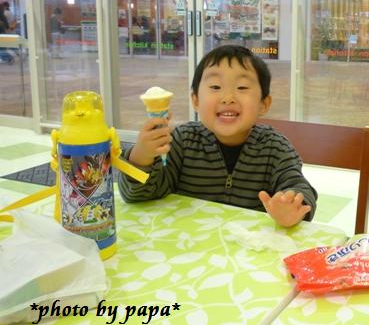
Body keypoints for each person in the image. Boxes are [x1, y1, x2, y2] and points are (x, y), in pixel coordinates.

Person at [119, 45, 317, 227]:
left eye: (242, 87)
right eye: (215, 87)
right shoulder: (183, 141)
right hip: (190, 241)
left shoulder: (275, 148)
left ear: (263, 104)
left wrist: (291, 206)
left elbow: (299, 187)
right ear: (196, 100)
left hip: (250, 246)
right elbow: (140, 196)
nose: (228, 98)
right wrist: (141, 157)